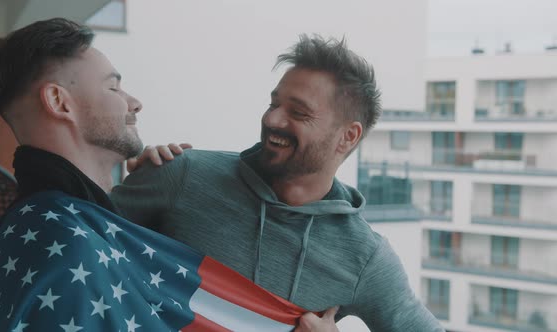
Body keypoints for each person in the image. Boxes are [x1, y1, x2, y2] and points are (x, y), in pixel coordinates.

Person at [0, 18, 312, 332]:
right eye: (113, 87)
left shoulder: (42, 231)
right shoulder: (64, 246)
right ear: (59, 102)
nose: (134, 102)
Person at [109, 35, 445, 331]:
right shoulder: (181, 174)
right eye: (273, 103)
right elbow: (73, 232)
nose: (272, 119)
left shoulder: (364, 257)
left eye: (298, 113)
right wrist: (115, 167)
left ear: (348, 136)